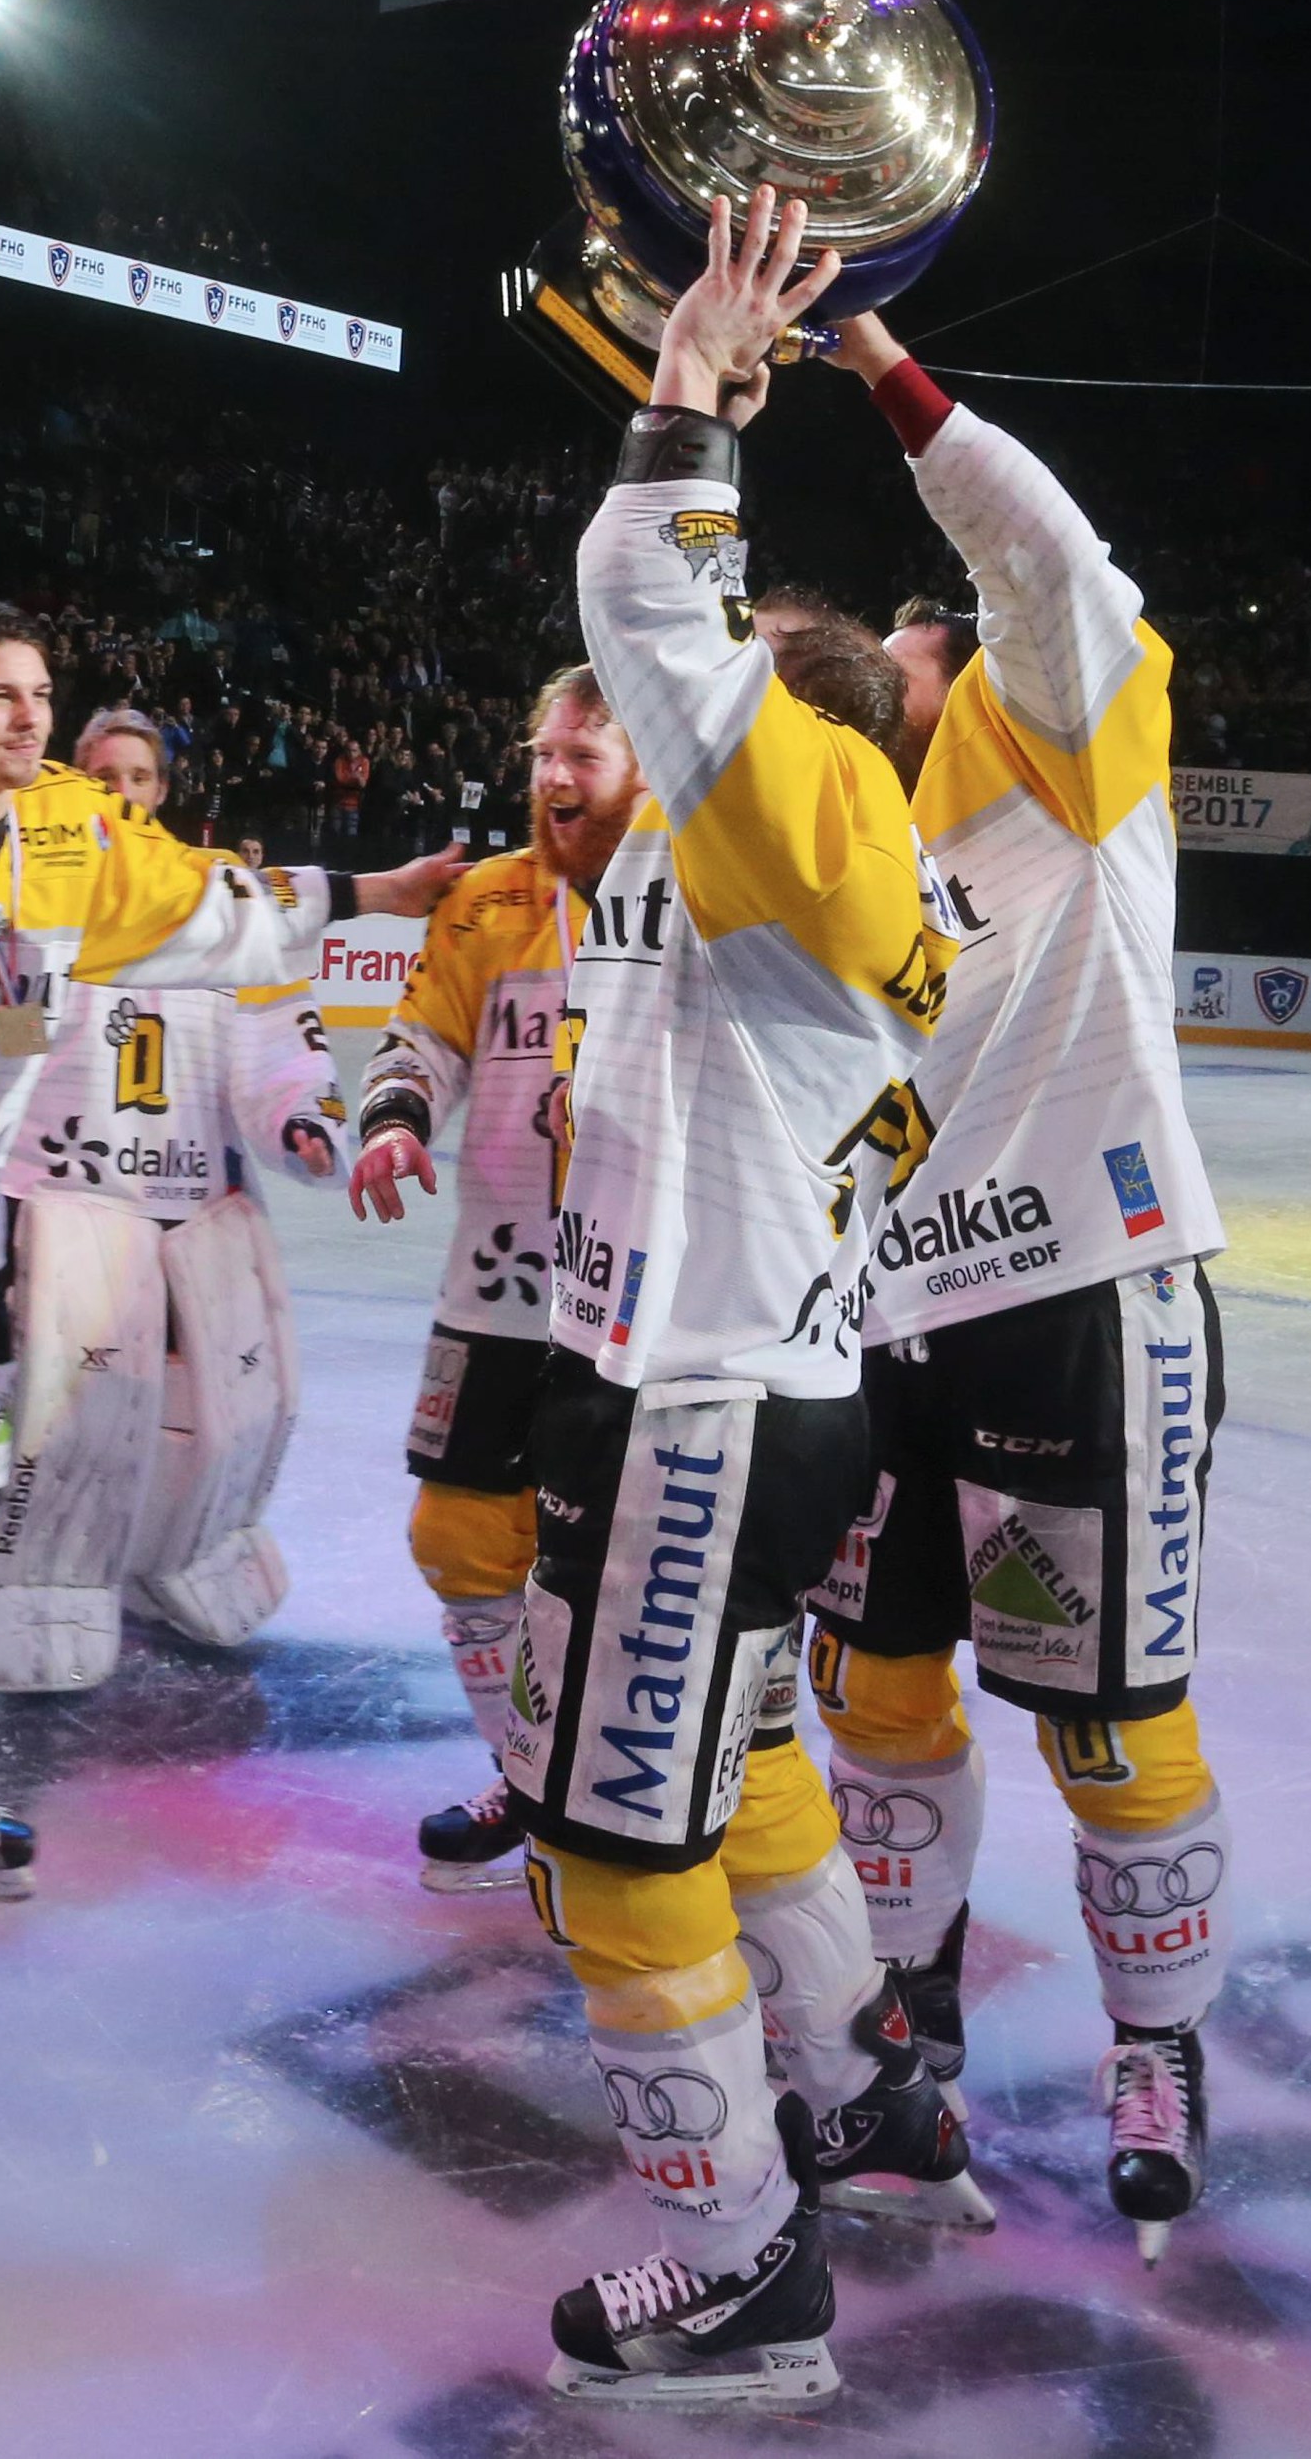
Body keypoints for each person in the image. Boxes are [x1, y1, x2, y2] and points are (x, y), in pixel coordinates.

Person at [514, 193, 978, 2411]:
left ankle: (737, 2268)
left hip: (694, 1414)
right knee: (761, 1763)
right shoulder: (838, 875)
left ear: (783, 718)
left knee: (618, 1852)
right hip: (761, 1391)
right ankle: (868, 2090)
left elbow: (642, 599)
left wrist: (691, 389)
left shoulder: (804, 810)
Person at [0, 597, 463, 1941]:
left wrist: (375, 892)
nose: (28, 717)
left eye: (40, 694)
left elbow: (214, 910)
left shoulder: (70, 828)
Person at [790, 311, 1234, 2261]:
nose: (862, 684)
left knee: (1105, 1725)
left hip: (1081, 1296)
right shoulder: (827, 857)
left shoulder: (1048, 748)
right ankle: (907, 2028)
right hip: (877, 1329)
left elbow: (1039, 559)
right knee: (876, 1697)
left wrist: (878, 360)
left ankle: (1158, 2045)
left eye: (900, 656)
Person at [0, 704, 353, 1694]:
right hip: (66, 1209)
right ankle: (41, 1582)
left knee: (234, 1405)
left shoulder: (223, 901)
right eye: (101, 778)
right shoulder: (33, 897)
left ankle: (189, 1550)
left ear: (162, 789)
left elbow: (276, 1041)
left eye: (136, 777)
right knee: (68, 1421)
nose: (121, 794)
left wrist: (303, 1117)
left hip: (191, 1207)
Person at [349, 666, 638, 1890]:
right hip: (498, 1291)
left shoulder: (696, 893)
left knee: (625, 1572)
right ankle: (526, 1775)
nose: (552, 778)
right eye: (541, 756)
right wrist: (393, 1117)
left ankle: (631, 1793)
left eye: (582, 756)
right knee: (460, 1540)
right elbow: (419, 1039)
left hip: (641, 1312)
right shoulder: (486, 902)